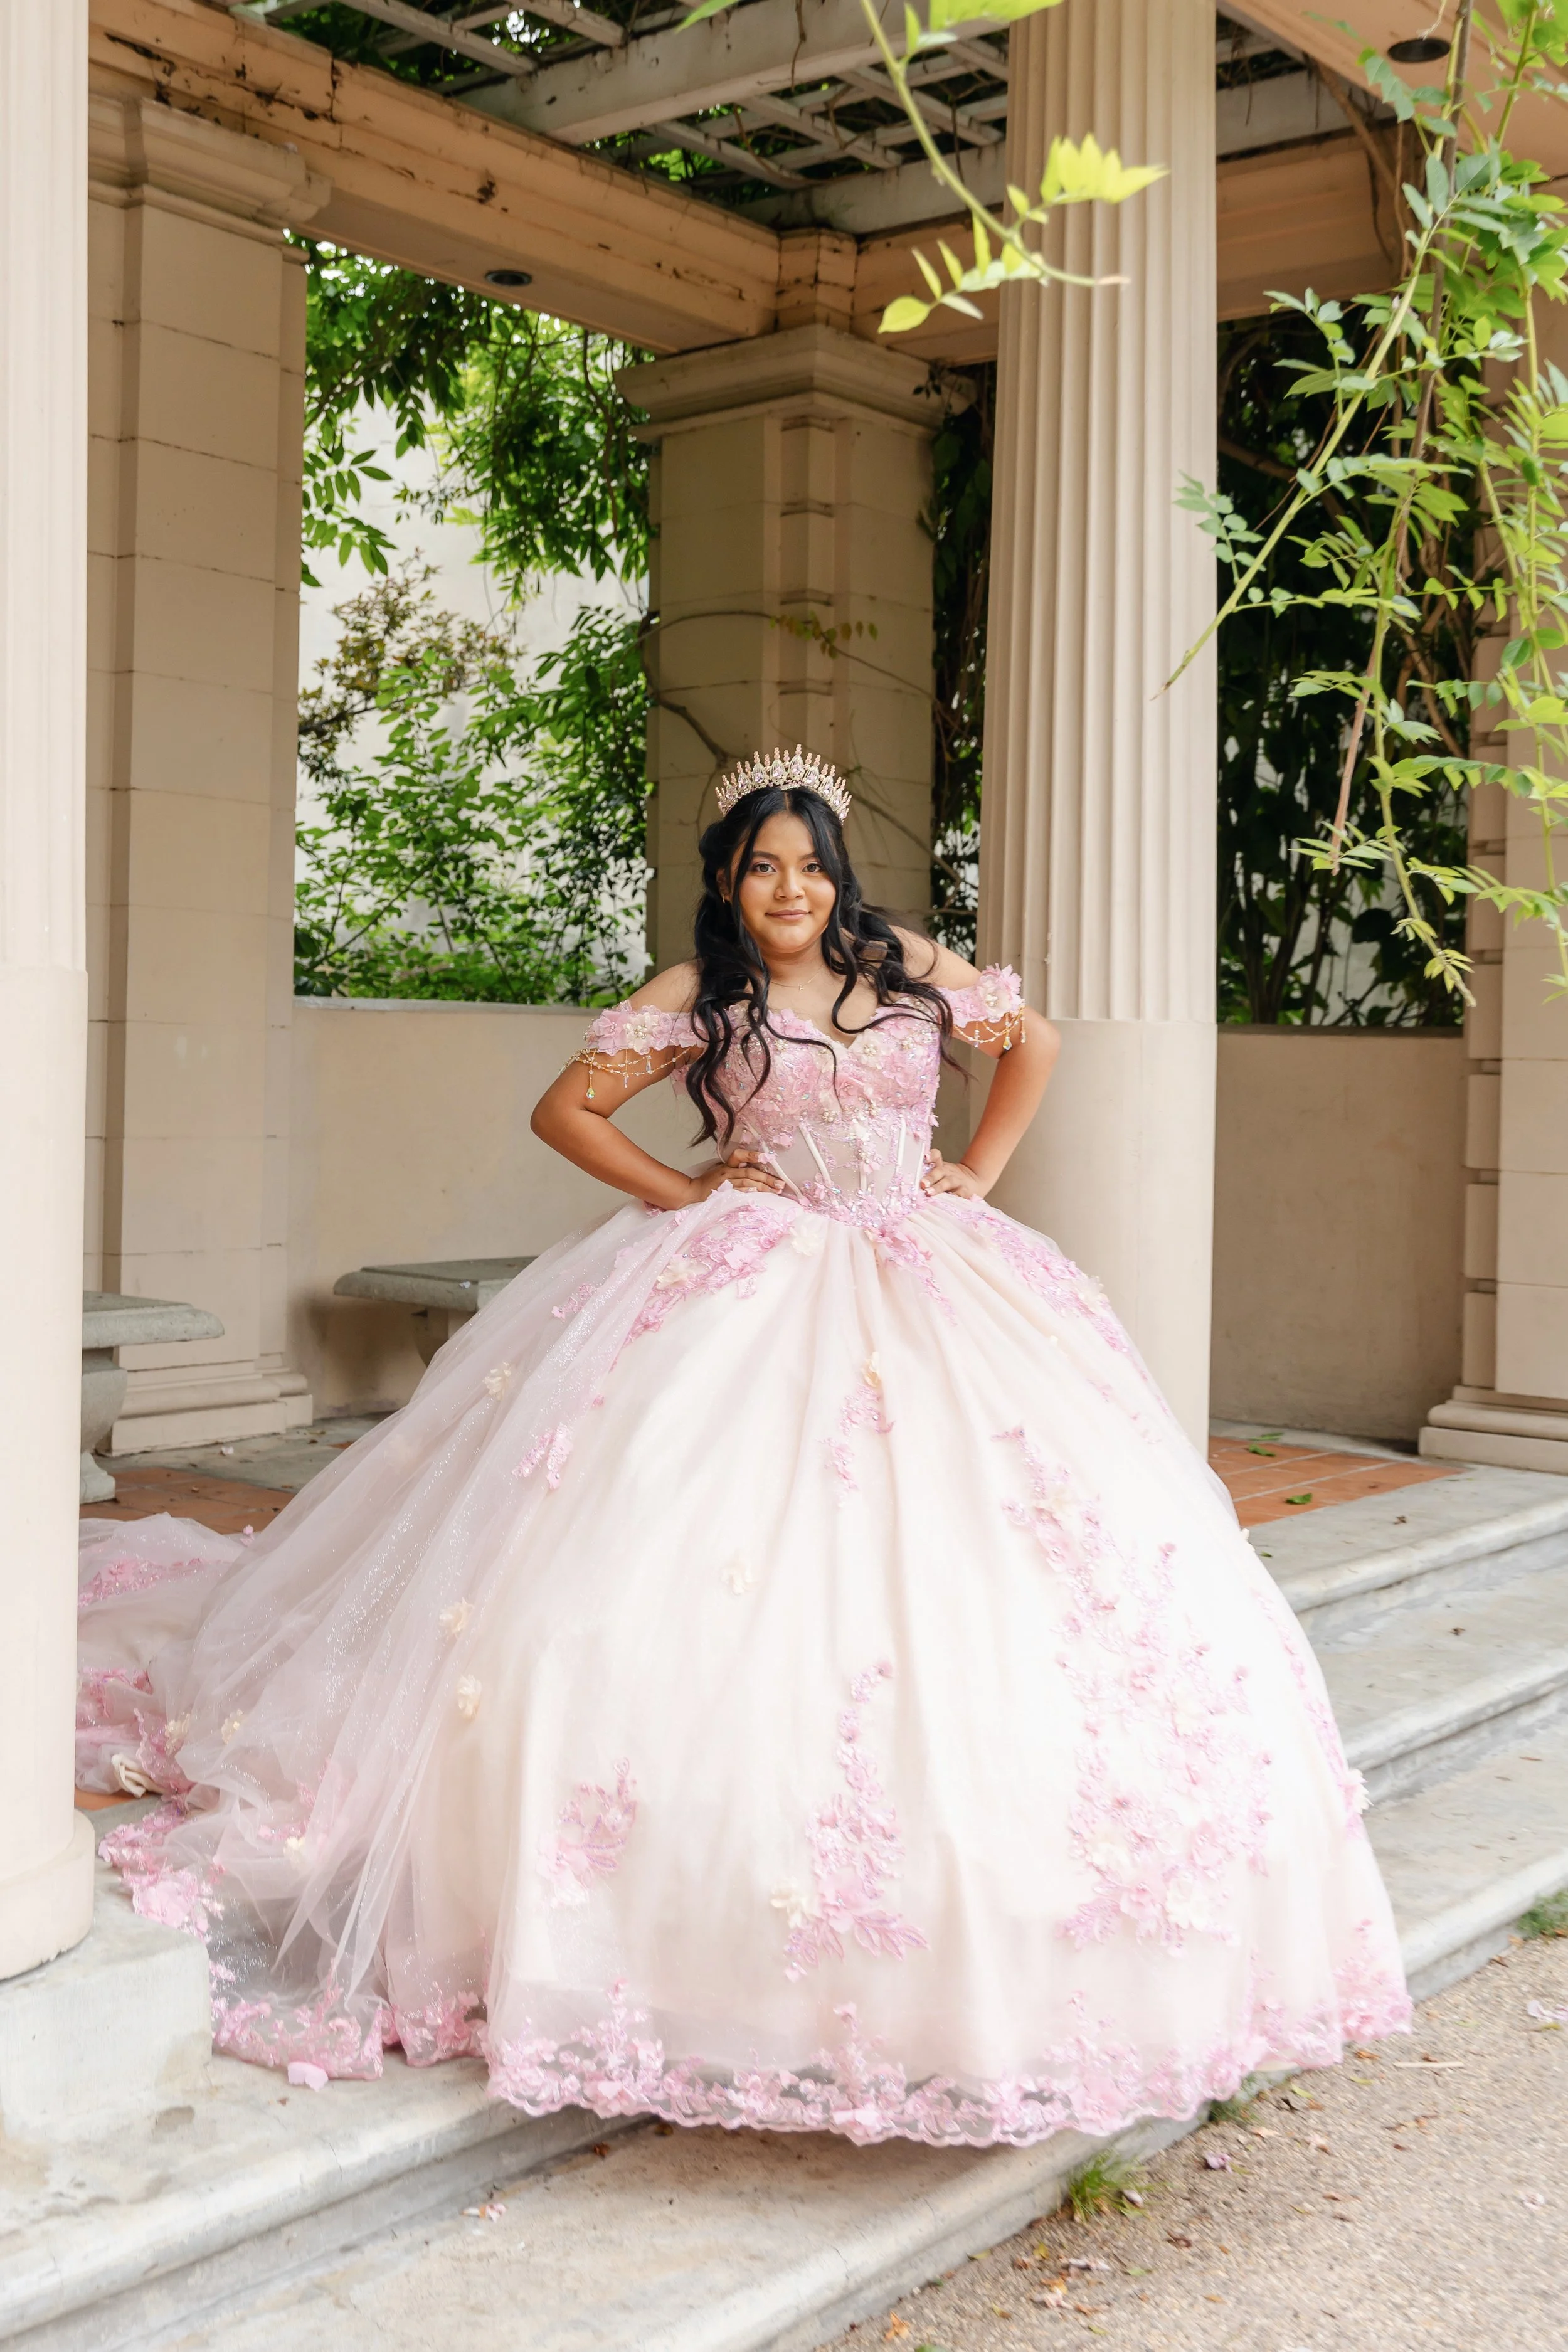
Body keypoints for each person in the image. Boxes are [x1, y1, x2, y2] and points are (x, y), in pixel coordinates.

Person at [78, 748, 1409, 2146]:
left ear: (838, 872)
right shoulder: (693, 995)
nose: (789, 887)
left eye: (810, 862)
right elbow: (566, 1111)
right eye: (762, 865)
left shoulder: (894, 961)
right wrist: (683, 1192)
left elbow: (1031, 1043)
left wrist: (982, 1168)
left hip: (932, 1267)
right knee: (672, 1560)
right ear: (726, 880)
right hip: (752, 1275)